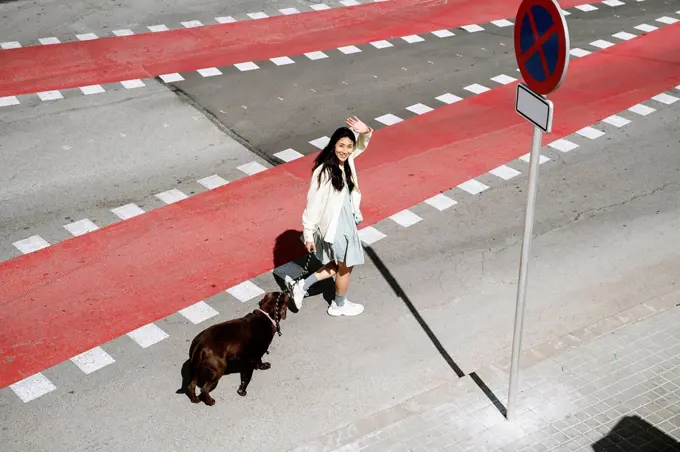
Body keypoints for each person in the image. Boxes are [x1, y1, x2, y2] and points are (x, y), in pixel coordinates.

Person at [286, 116, 374, 317]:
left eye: (349, 146)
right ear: (333, 145)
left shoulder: (347, 161)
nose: (345, 150)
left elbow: (362, 145)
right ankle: (339, 305)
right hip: (337, 226)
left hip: (346, 222)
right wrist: (308, 234)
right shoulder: (324, 171)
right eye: (341, 145)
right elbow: (313, 205)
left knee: (338, 264)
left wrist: (366, 131)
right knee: (346, 265)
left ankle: (301, 285)